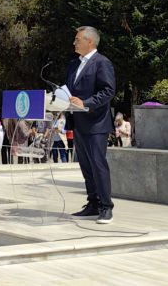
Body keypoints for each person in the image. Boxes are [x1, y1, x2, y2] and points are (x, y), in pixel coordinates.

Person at [68, 26, 116, 224]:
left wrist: (85, 103)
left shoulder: (102, 62)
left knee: (98, 164)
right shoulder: (73, 65)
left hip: (96, 123)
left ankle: (106, 207)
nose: (74, 43)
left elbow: (108, 91)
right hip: (79, 122)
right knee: (86, 166)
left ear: (90, 41)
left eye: (77, 39)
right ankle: (93, 203)